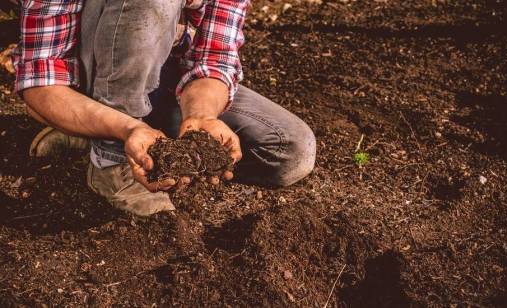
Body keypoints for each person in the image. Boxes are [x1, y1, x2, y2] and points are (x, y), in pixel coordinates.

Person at [11, 0, 316, 216]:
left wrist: (202, 115)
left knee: (288, 150)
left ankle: (100, 135)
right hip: (85, 75)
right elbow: (40, 85)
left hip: (161, 76)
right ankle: (111, 161)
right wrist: (127, 127)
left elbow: (215, 60)